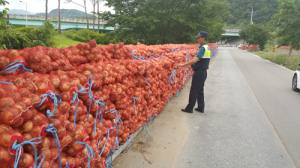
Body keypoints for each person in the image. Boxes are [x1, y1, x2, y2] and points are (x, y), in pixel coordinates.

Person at [177, 31, 211, 113]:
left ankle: (189, 108)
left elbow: (195, 60)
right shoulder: (207, 48)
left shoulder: (202, 49)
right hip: (203, 72)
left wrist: (183, 65)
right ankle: (201, 107)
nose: (197, 39)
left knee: (194, 91)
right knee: (200, 90)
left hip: (199, 72)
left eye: (199, 38)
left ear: (203, 38)